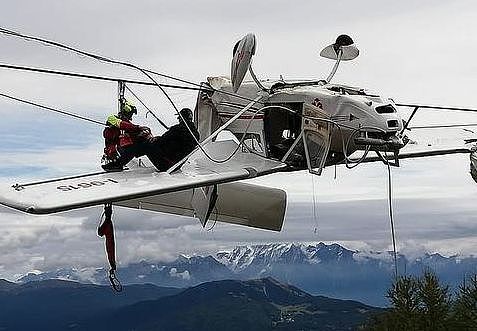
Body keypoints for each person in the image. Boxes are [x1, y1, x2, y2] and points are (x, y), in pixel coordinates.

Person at [101, 100, 151, 171]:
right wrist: (138, 127)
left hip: (123, 150)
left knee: (145, 143)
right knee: (133, 147)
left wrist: (142, 133)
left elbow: (131, 130)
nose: (131, 115)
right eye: (131, 113)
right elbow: (121, 124)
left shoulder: (129, 125)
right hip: (115, 150)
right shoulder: (112, 118)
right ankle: (115, 165)